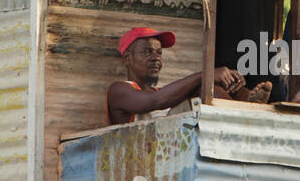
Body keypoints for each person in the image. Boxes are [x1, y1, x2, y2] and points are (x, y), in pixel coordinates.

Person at [107, 27, 273, 125]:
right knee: (206, 89)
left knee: (215, 89)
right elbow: (156, 101)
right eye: (147, 52)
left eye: (159, 53)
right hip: (146, 153)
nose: (156, 58)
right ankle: (244, 115)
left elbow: (162, 97)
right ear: (128, 58)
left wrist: (231, 83)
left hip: (175, 147)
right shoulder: (119, 89)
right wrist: (206, 74)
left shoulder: (163, 92)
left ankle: (248, 101)